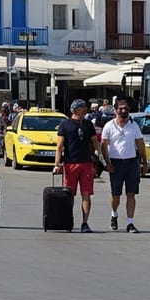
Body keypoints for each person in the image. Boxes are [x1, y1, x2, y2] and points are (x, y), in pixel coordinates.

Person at [55, 98, 102, 233]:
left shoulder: (88, 124)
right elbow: (59, 146)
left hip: (86, 163)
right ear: (76, 110)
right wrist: (57, 164)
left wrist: (98, 158)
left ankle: (85, 223)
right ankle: (67, 220)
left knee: (86, 194)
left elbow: (95, 142)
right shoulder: (65, 124)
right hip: (70, 164)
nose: (85, 110)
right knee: (69, 195)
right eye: (83, 108)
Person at [100, 98, 147, 233]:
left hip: (132, 163)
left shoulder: (134, 126)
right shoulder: (109, 126)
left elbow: (140, 144)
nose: (124, 111)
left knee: (131, 194)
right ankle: (114, 214)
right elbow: (104, 146)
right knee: (116, 195)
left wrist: (144, 162)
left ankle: (130, 223)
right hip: (116, 163)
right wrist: (106, 163)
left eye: (126, 108)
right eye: (121, 109)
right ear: (115, 110)